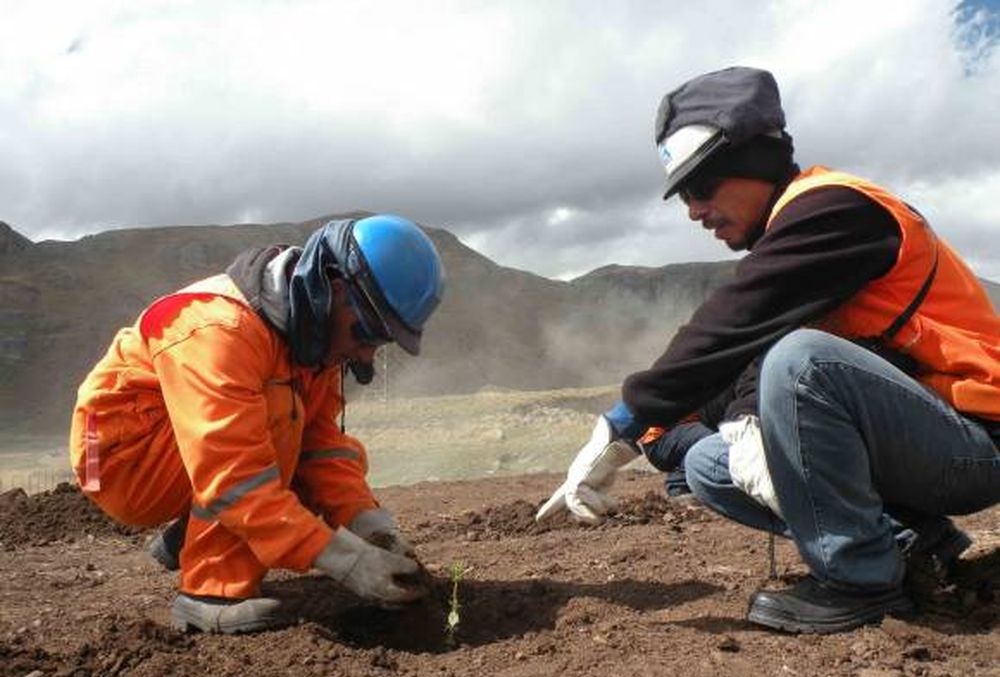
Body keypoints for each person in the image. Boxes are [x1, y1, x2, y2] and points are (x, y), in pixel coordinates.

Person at [537, 67, 999, 634]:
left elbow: (732, 326)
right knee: (710, 465)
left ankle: (861, 583)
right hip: (928, 437)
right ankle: (918, 544)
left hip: (978, 440)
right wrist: (712, 425)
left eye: (700, 188)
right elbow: (737, 356)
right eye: (684, 195)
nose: (693, 211)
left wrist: (622, 424)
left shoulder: (835, 210)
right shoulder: (797, 237)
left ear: (751, 163)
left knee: (803, 362)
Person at [70, 215, 445, 634]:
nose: (365, 354)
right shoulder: (220, 330)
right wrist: (347, 561)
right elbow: (233, 473)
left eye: (382, 341)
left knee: (301, 431)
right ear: (336, 290)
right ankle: (211, 592)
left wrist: (371, 527)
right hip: (114, 459)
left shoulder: (308, 338)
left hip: (184, 448)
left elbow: (321, 447)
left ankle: (190, 535)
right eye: (369, 332)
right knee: (273, 418)